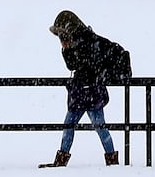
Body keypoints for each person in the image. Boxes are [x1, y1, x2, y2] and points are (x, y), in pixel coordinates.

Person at [39, 10, 121, 168]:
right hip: (89, 92)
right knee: (97, 126)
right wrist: (67, 49)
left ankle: (62, 160)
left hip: (86, 92)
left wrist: (68, 50)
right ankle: (112, 161)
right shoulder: (85, 41)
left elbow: (78, 65)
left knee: (78, 125)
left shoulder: (84, 42)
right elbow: (74, 65)